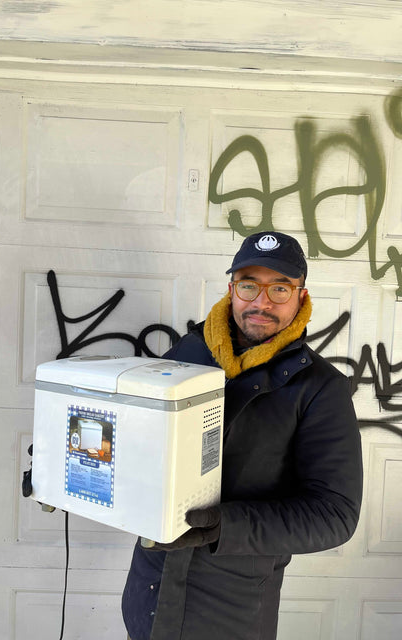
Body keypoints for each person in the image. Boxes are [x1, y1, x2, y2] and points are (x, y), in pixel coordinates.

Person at [121, 231, 363, 640]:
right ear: (232, 289)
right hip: (149, 598)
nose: (261, 302)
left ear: (301, 297)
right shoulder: (188, 354)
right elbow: (138, 436)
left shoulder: (320, 388)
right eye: (249, 285)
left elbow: (335, 515)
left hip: (230, 614)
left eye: (279, 288)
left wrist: (224, 526)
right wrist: (70, 459)